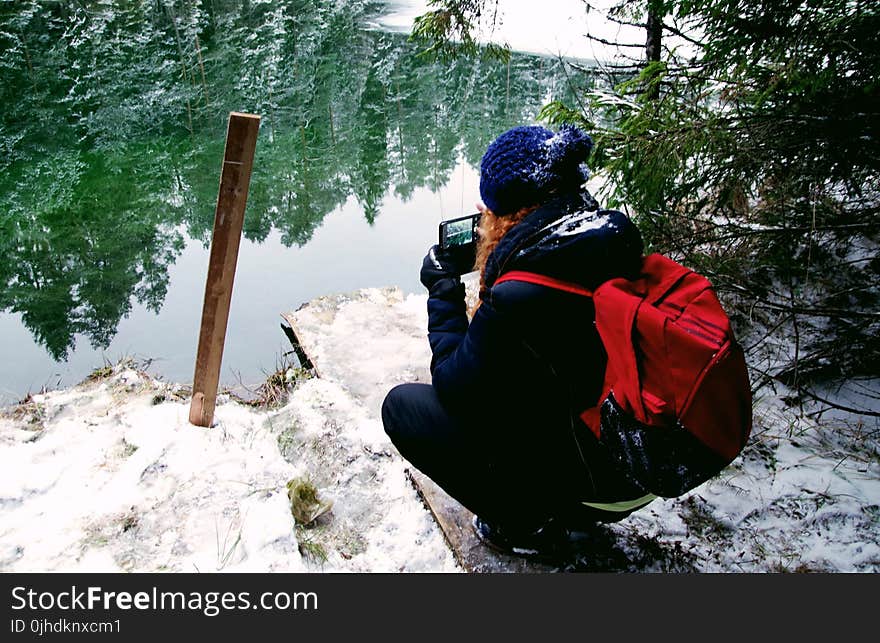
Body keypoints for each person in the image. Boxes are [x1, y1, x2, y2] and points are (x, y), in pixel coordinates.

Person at [381, 124, 653, 559]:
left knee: (403, 408)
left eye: (490, 208)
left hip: (598, 483)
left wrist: (444, 292)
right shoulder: (609, 241)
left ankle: (527, 527)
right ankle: (567, 507)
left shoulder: (522, 295)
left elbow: (455, 387)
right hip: (642, 470)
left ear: (506, 214)